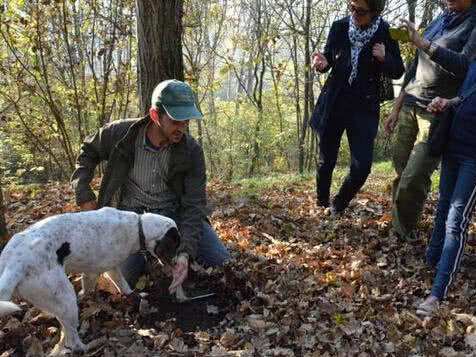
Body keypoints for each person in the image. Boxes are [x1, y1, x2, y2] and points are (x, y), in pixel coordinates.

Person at [71, 79, 230, 295]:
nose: (182, 128)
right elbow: (87, 153)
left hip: (173, 216)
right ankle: (145, 256)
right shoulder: (120, 134)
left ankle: (166, 253)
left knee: (221, 261)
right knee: (120, 282)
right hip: (129, 219)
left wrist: (185, 253)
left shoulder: (191, 151)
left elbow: (194, 206)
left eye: (186, 122)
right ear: (155, 116)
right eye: (176, 121)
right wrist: (83, 193)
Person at [384, 0, 476, 241]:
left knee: (414, 176)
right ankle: (401, 226)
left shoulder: (473, 24)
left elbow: (465, 67)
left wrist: (424, 43)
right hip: (410, 103)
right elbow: (415, 64)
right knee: (401, 170)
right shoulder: (440, 18)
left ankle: (402, 234)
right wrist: (397, 107)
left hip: (436, 111)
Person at [310, 0, 404, 214]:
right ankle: (322, 203)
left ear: (375, 11)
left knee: (362, 167)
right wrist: (322, 62)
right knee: (326, 160)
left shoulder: (385, 32)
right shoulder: (339, 26)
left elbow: (398, 70)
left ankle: (338, 204)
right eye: (351, 7)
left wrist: (384, 58)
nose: (354, 14)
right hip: (334, 102)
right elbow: (329, 59)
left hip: (364, 107)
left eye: (360, 11)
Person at [416, 61, 476, 316]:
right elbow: (464, 97)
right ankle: (432, 261)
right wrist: (446, 102)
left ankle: (437, 294)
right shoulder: (474, 64)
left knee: (456, 220)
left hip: (473, 158)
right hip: (453, 145)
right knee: (442, 208)